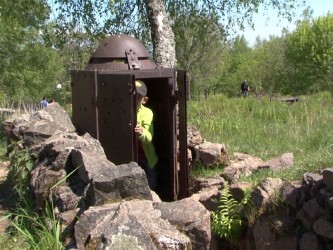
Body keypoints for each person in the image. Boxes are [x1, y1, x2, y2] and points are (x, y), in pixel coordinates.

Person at [134, 80, 159, 191]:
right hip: (129, 156)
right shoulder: (121, 110)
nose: (134, 100)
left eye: (138, 98)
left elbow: (149, 137)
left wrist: (141, 132)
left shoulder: (147, 113)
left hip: (145, 156)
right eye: (133, 96)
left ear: (144, 100)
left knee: (151, 184)